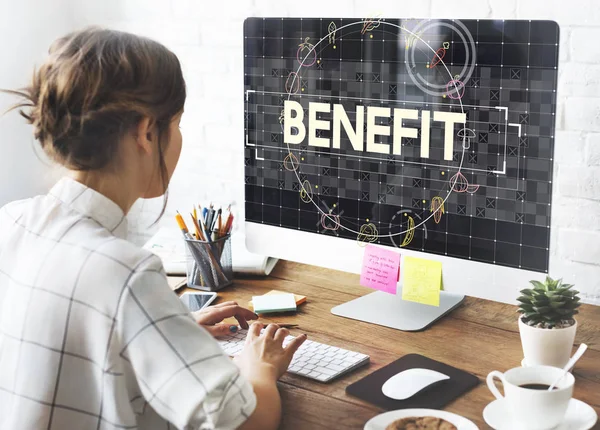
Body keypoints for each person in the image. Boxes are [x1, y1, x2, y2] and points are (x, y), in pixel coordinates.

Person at [0, 27, 306, 430]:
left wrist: (165, 330)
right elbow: (246, 422)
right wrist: (259, 367)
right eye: (176, 124)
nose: (177, 139)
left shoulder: (11, 221)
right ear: (146, 132)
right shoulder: (126, 273)